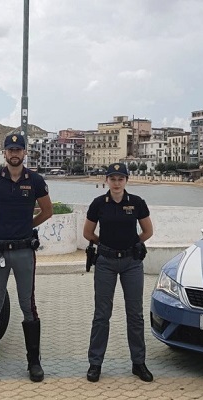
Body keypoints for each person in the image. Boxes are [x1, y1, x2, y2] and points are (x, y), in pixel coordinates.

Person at [0, 133, 53, 383]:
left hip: (23, 250)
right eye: (11, 150)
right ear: (5, 154)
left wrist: (28, 227)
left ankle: (34, 363)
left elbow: (48, 210)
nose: (15, 154)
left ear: (24, 153)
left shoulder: (36, 180)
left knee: (27, 305)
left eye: (19, 149)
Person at [83, 162, 154, 383]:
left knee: (135, 314)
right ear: (107, 180)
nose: (116, 183)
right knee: (102, 315)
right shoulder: (98, 204)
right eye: (112, 179)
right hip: (105, 261)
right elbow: (88, 232)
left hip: (132, 263)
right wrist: (104, 243)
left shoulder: (137, 203)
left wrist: (133, 243)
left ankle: (138, 363)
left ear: (126, 181)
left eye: (120, 179)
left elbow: (148, 231)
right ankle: (95, 364)